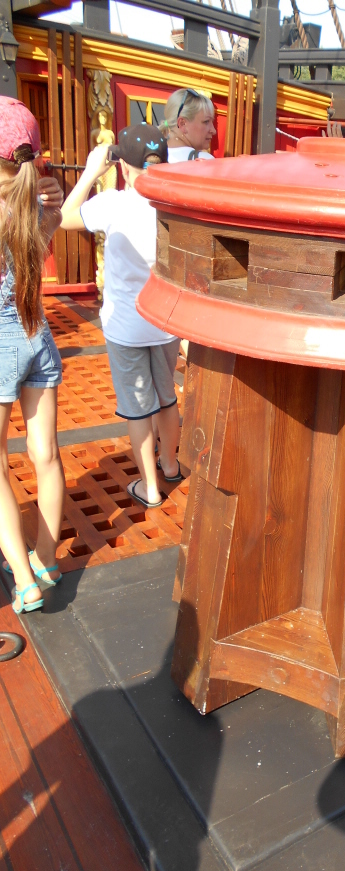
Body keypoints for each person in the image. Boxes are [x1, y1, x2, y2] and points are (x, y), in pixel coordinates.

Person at [60, 124, 182, 509]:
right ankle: (171, 464)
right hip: (166, 322)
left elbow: (64, 217)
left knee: (137, 408)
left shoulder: (112, 204)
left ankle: (149, 488)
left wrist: (90, 172)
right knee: (167, 398)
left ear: (123, 167)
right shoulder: (174, 204)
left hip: (126, 327)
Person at [0, 98, 66, 614]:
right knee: (46, 454)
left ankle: (24, 581)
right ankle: (46, 559)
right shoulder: (43, 205)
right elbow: (54, 218)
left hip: (1, 347)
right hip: (37, 335)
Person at [160, 88, 217, 162]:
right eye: (206, 122)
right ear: (182, 124)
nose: (213, 131)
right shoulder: (205, 160)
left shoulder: (153, 156)